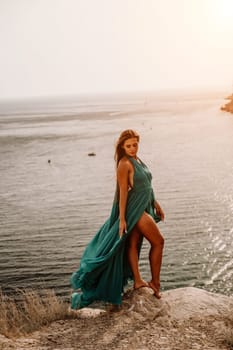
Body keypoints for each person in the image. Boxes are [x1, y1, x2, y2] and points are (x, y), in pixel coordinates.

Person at [70, 129, 165, 309]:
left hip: (143, 206)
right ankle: (155, 283)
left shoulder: (137, 160)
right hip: (133, 211)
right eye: (128, 146)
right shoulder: (124, 164)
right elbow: (122, 193)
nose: (132, 148)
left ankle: (138, 280)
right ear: (122, 147)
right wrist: (122, 219)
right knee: (159, 242)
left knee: (133, 244)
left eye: (135, 144)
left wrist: (155, 203)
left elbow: (146, 185)